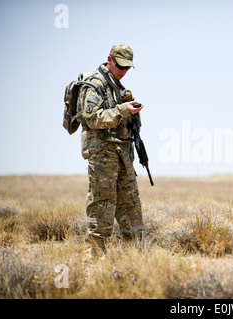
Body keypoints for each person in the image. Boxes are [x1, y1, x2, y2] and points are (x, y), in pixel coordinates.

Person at [77, 44, 144, 257]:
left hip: (123, 155)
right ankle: (95, 258)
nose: (123, 71)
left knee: (131, 205)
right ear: (110, 59)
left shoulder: (118, 87)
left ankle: (135, 258)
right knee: (102, 205)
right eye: (120, 66)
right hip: (103, 155)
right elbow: (92, 118)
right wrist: (123, 110)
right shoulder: (94, 84)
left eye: (127, 68)